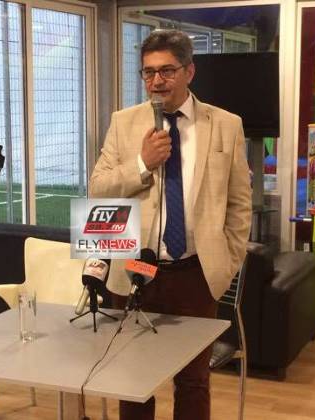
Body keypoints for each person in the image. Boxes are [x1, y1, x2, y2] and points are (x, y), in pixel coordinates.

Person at [89, 29, 252, 420]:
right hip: (135, 271)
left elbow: (239, 204)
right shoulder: (124, 123)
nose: (156, 81)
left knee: (193, 381)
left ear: (189, 71)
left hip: (196, 274)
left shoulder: (226, 125)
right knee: (132, 380)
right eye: (148, 72)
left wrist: (226, 263)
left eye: (167, 71)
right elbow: (98, 189)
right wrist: (142, 163)